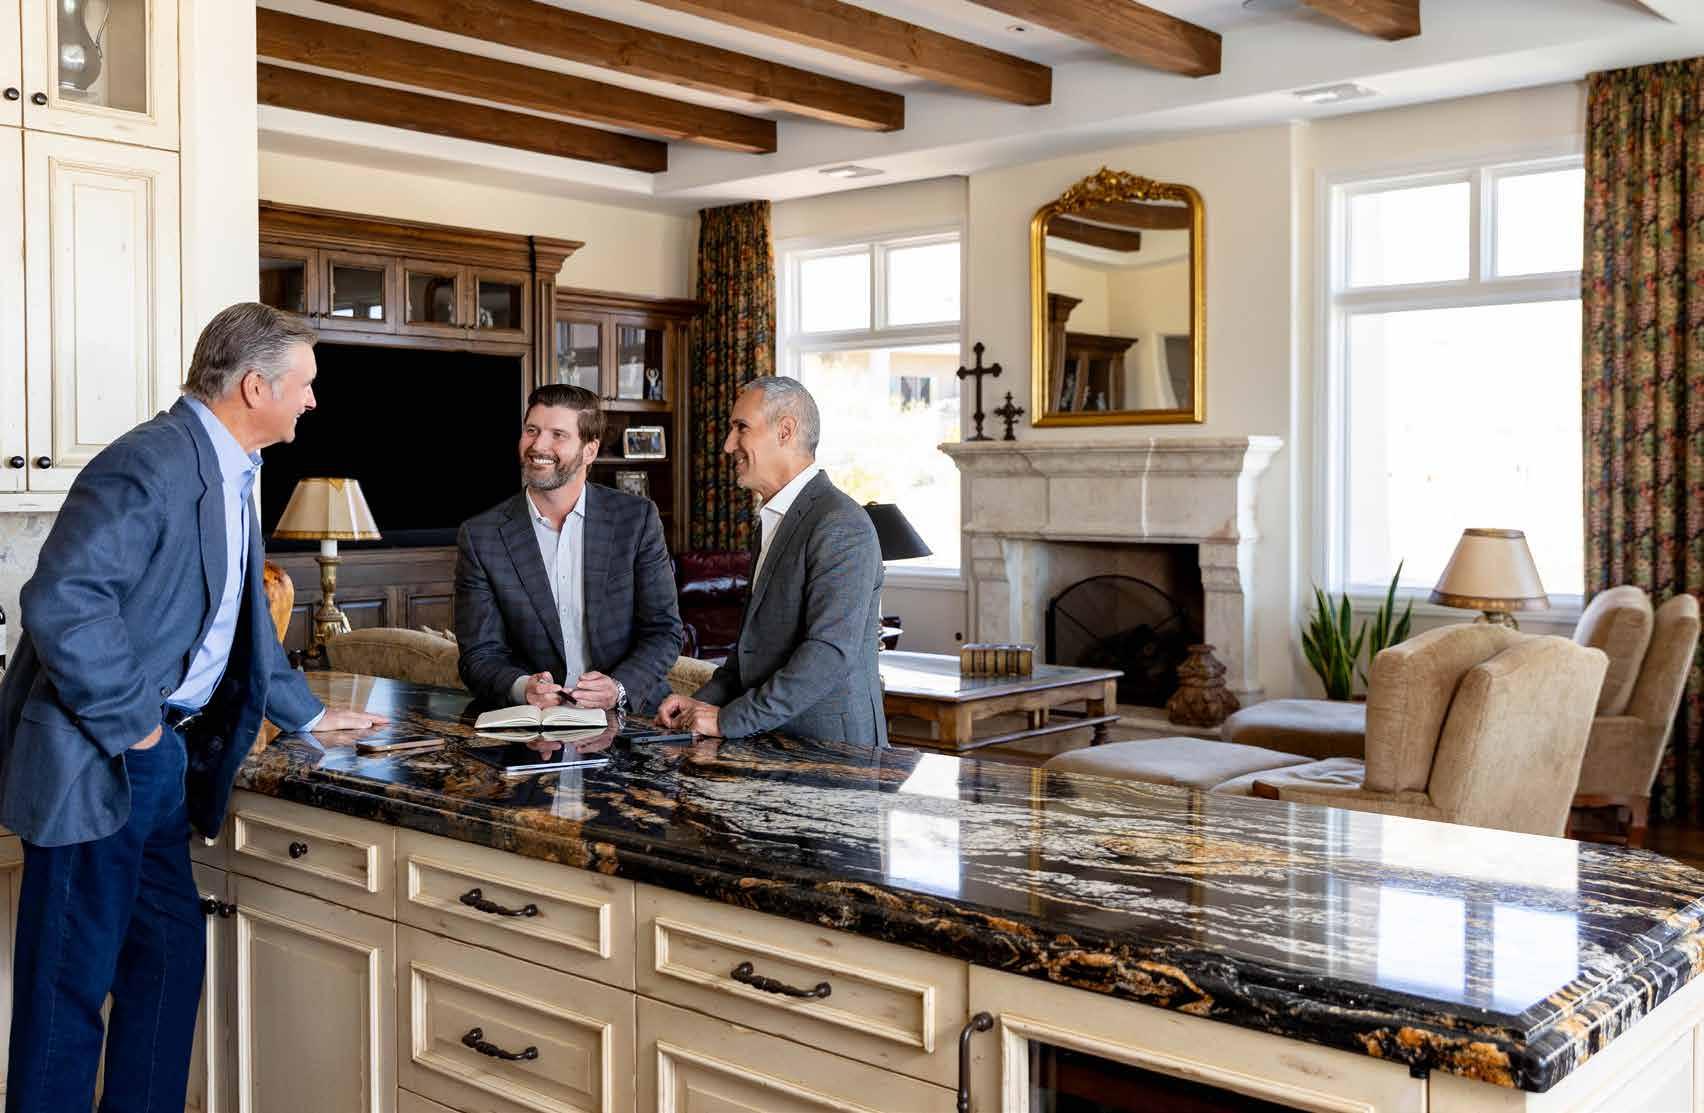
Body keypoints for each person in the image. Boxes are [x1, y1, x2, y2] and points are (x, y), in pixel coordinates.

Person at [0, 302, 387, 1111]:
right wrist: (139, 729)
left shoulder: (234, 466)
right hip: (100, 760)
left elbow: (241, 622)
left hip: (159, 762)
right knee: (66, 995)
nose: (313, 399)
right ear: (255, 387)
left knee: (170, 960)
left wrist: (308, 713)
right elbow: (64, 603)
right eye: (305, 384)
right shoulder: (150, 462)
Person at [657, 377, 886, 745]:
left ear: (785, 431)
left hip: (830, 753)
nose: (728, 444)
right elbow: (751, 652)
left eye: (741, 428)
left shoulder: (841, 524)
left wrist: (727, 720)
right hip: (772, 742)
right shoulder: (772, 520)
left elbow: (826, 655)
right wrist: (700, 704)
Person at [455, 384, 682, 714]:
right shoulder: (481, 536)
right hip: (533, 723)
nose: (538, 445)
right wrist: (522, 688)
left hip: (630, 717)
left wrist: (618, 688)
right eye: (532, 430)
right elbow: (478, 655)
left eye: (558, 435)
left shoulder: (636, 520)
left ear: (590, 450)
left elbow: (664, 631)